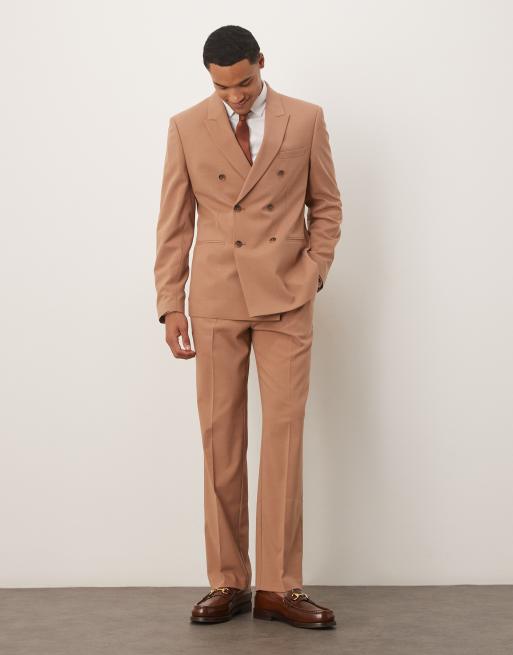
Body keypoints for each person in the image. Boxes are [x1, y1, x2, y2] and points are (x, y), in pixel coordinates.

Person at [154, 24, 342, 629]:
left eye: (244, 83)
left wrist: (312, 271)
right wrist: (171, 303)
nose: (235, 97)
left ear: (262, 62)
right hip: (215, 298)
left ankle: (280, 588)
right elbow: (174, 223)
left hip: (286, 295)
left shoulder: (305, 118)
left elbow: (327, 205)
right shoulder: (186, 126)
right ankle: (228, 582)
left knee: (283, 438)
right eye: (222, 88)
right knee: (221, 440)